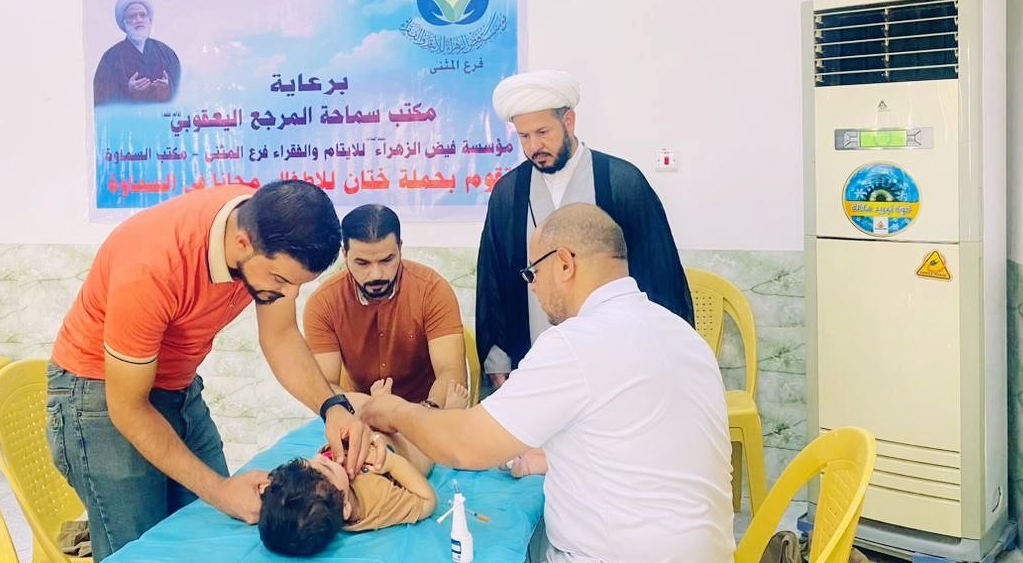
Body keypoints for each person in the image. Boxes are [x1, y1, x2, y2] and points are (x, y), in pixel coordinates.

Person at [363, 204, 734, 563]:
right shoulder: (683, 335)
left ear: (564, 263)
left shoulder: (577, 342)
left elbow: (465, 446)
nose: (534, 288)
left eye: (533, 273)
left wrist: (393, 411)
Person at [47, 180, 373, 560]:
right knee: (143, 549)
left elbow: (281, 335)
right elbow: (128, 407)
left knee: (212, 530)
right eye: (281, 281)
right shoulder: (152, 267)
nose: (287, 294)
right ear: (242, 244)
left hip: (177, 385)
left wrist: (332, 407)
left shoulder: (265, 224)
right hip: (100, 391)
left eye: (297, 285)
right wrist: (219, 490)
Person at [477, 70, 694, 388]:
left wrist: (662, 357)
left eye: (543, 132)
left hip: (619, 362)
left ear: (569, 121)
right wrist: (498, 361)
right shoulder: (508, 193)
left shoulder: (620, 182)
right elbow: (493, 281)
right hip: (536, 361)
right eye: (524, 136)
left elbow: (659, 275)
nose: (534, 146)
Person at [257, 381, 470, 557]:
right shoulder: (376, 499)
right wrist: (392, 463)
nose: (321, 458)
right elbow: (428, 501)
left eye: (312, 462)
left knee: (354, 412)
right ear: (346, 508)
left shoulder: (323, 489)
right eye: (326, 467)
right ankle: (449, 411)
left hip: (373, 435)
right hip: (405, 450)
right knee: (430, 439)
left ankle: (380, 405)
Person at [303, 204, 468, 406]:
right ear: (345, 254)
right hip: (358, 412)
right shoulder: (324, 303)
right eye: (362, 263)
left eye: (387, 260)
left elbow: (451, 374)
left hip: (426, 411)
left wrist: (422, 413)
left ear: (400, 248)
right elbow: (325, 387)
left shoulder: (432, 290)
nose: (376, 274)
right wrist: (375, 411)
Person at [93, 0, 181, 105]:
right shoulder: (110, 58)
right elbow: (100, 100)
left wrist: (167, 90)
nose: (139, 20)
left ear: (149, 20)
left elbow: (180, 93)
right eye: (132, 16)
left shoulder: (167, 54)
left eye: (143, 15)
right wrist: (128, 92)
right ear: (124, 23)